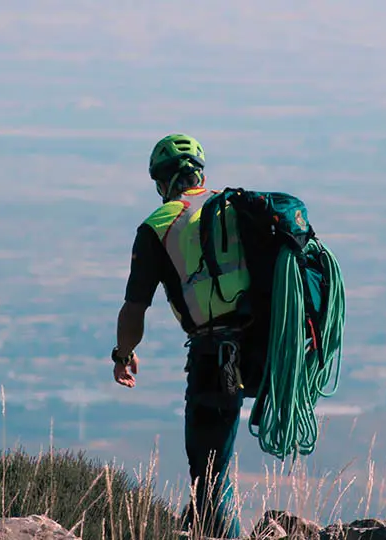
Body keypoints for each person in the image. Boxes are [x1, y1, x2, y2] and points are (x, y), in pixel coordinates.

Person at [111, 133, 253, 538]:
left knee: (208, 472)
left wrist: (123, 355)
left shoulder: (158, 225)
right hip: (256, 347)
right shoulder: (235, 208)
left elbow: (135, 306)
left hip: (215, 356)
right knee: (212, 462)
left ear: (162, 182)